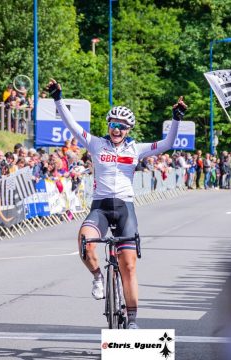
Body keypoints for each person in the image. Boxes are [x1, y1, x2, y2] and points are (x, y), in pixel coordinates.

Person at [47, 78, 186, 329]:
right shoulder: (95, 143)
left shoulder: (137, 149)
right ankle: (98, 277)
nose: (117, 129)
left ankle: (132, 319)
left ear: (129, 129)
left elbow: (167, 144)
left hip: (125, 208)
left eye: (122, 126)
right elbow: (72, 125)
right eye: (113, 125)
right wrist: (58, 99)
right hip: (100, 206)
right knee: (85, 242)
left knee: (129, 266)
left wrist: (176, 119)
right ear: (108, 125)